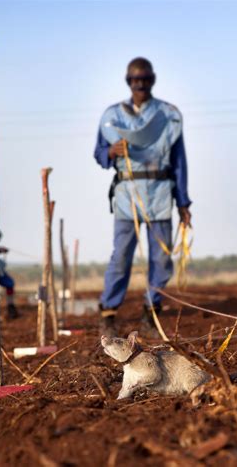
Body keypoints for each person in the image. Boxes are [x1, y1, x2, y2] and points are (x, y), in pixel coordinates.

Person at [94, 57, 192, 336]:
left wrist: (183, 202)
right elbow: (99, 153)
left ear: (153, 79)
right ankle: (108, 315)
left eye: (145, 79)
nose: (140, 85)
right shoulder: (112, 117)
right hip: (127, 196)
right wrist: (111, 152)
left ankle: (151, 315)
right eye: (134, 80)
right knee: (121, 256)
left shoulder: (168, 116)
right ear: (128, 81)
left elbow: (179, 162)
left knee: (161, 259)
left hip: (161, 195)